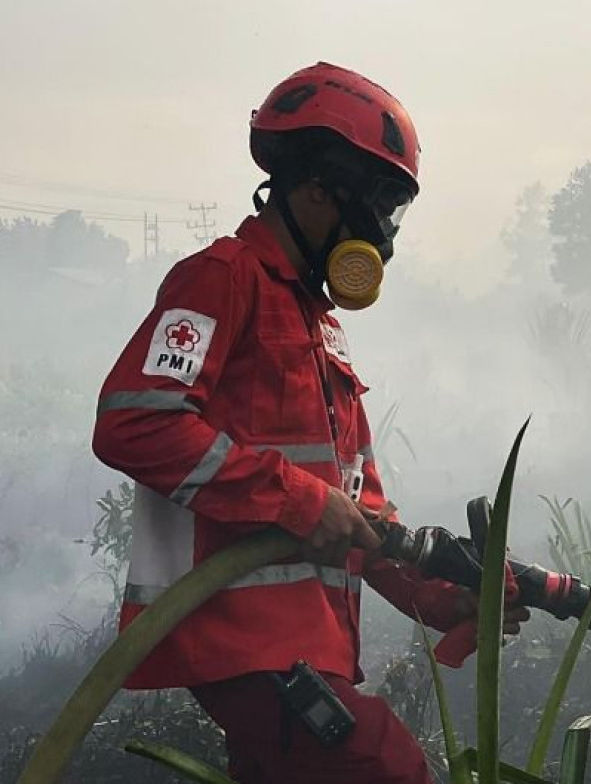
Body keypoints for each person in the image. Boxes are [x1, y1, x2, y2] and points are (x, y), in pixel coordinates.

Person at [92, 62, 529, 784]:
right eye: (380, 203)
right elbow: (136, 423)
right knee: (385, 766)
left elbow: (361, 514)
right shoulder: (222, 279)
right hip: (245, 638)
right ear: (319, 189)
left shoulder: (317, 323)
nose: (385, 231)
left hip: (306, 643)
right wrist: (297, 499)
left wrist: (443, 595)